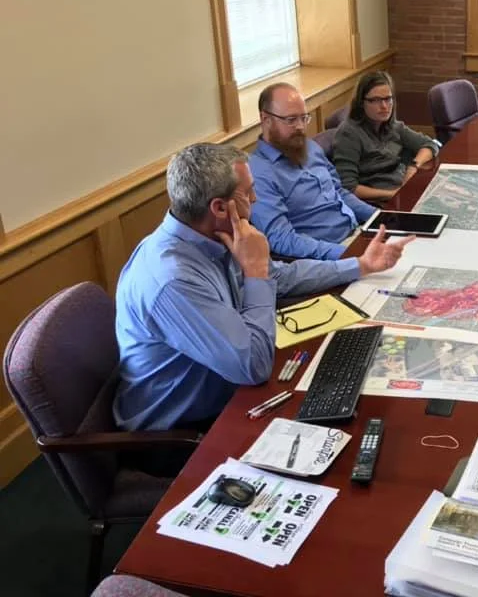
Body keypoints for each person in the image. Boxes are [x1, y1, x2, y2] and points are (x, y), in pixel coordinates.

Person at [114, 143, 413, 438]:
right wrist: (255, 271)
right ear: (219, 207)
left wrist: (359, 265)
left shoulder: (213, 235)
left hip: (230, 389)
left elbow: (279, 278)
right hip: (184, 431)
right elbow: (253, 366)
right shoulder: (173, 280)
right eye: (248, 193)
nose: (256, 199)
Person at [248, 82, 377, 261]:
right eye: (291, 120)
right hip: (329, 257)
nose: (300, 127)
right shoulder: (258, 174)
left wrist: (380, 217)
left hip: (358, 233)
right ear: (265, 119)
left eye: (304, 118)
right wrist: (348, 255)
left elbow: (339, 192)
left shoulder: (309, 147)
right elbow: (282, 240)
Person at [332, 71, 439, 203]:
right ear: (361, 103)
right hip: (380, 202)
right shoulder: (348, 134)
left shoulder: (393, 126)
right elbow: (348, 188)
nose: (384, 106)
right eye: (376, 100)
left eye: (388, 99)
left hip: (402, 191)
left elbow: (430, 144)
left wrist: (414, 166)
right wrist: (393, 194)